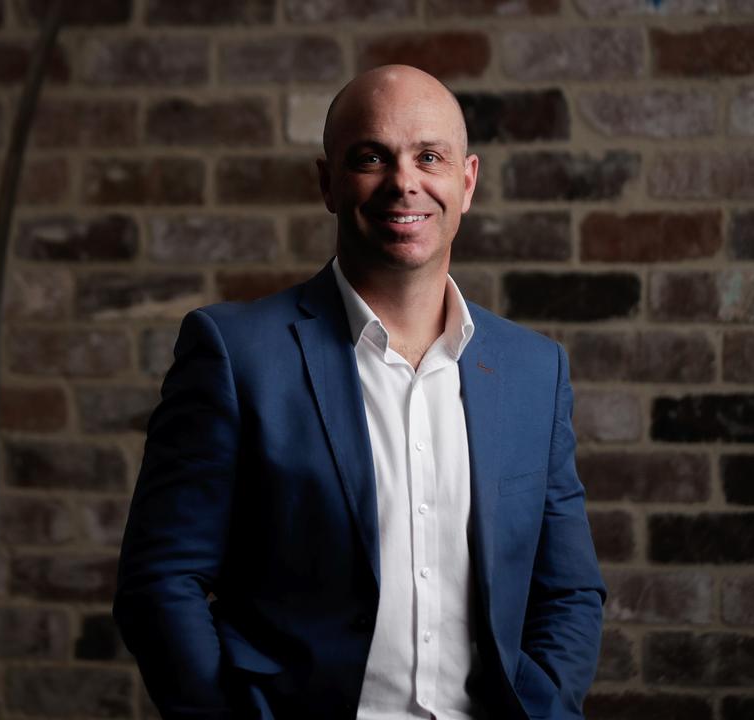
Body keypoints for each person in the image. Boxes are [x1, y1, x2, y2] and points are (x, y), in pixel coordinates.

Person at [113, 64, 605, 720]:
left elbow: (568, 590)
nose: (405, 182)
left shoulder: (533, 371)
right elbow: (160, 581)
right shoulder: (237, 354)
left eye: (429, 156)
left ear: (467, 181)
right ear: (328, 184)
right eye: (371, 157)